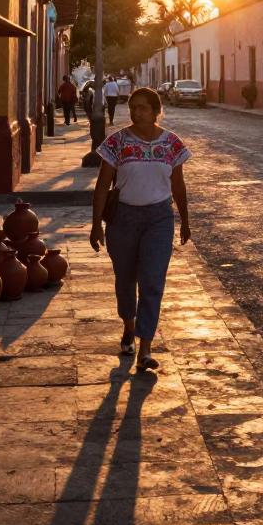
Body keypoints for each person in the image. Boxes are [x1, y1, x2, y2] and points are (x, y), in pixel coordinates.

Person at [90, 86, 191, 371]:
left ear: (157, 111)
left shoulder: (172, 144)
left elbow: (178, 186)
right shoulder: (116, 143)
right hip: (122, 219)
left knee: (152, 282)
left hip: (159, 219)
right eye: (133, 107)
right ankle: (128, 325)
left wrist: (184, 219)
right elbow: (101, 188)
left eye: (144, 107)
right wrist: (96, 225)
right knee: (125, 279)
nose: (137, 112)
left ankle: (145, 348)